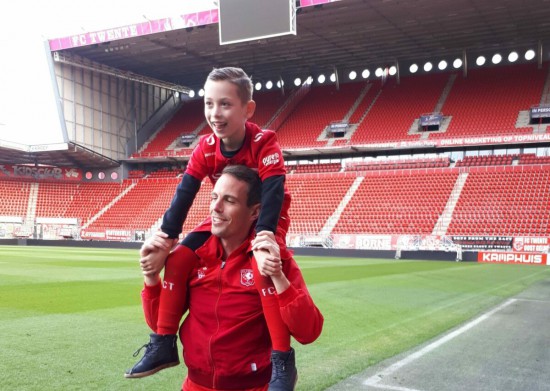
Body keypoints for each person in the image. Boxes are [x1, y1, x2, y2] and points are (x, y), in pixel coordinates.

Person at [127, 67, 297, 389]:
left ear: (248, 110)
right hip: (227, 212)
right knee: (177, 259)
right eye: (208, 104)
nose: (214, 113)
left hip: (266, 217)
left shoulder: (264, 141)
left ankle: (282, 360)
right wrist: (167, 235)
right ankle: (163, 341)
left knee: (262, 269)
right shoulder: (205, 146)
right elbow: (186, 191)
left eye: (224, 104)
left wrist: (265, 236)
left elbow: (273, 192)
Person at [126, 165, 324, 390]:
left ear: (255, 212)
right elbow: (159, 324)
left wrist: (278, 276)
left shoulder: (273, 259)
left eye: (229, 201)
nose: (215, 208)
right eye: (214, 197)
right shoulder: (193, 257)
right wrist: (151, 277)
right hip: (195, 385)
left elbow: (309, 332)